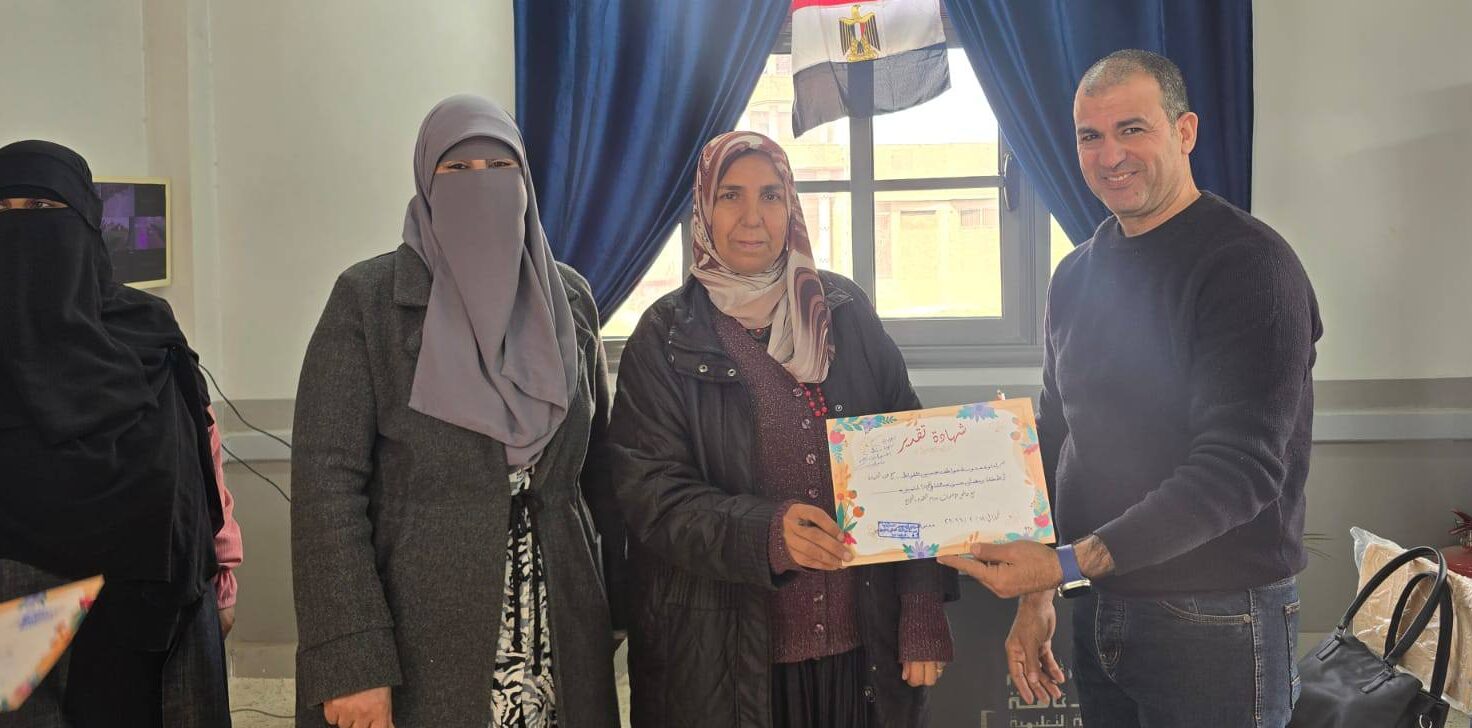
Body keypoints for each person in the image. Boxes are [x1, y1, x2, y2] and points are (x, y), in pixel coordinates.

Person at [940, 50, 1322, 728]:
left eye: (1132, 129)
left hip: (1217, 618)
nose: (1110, 155)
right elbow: (1060, 437)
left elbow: (1239, 471)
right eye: (1090, 135)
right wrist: (1039, 593)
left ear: (1185, 131)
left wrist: (1062, 566)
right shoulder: (1075, 275)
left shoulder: (1249, 267)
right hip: (1099, 605)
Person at [290, 95, 623, 728]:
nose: (482, 184)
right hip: (418, 632)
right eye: (458, 169)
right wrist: (352, 659)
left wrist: (615, 604)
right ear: (425, 180)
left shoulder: (570, 298)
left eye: (500, 168)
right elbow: (326, 491)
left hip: (559, 624)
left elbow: (598, 470)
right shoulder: (368, 301)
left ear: (525, 181)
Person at [610, 131, 955, 728]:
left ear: (790, 206)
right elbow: (653, 498)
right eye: (730, 196)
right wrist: (767, 534)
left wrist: (921, 604)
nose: (753, 217)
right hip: (728, 665)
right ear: (703, 208)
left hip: (862, 652)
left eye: (770, 195)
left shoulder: (843, 312)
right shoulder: (664, 336)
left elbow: (911, 462)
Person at [0, 140, 231, 726]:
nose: (23, 226)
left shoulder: (146, 330)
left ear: (86, 222)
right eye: (4, 209)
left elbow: (197, 460)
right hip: (15, 621)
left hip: (156, 613)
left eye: (43, 208)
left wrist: (222, 572)